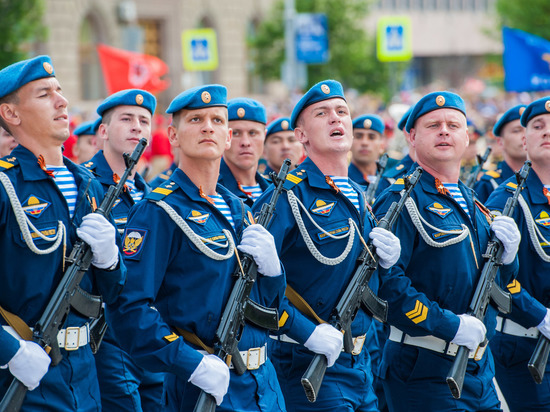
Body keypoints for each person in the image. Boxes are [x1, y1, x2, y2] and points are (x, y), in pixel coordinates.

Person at [105, 84, 287, 411]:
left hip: (263, 387)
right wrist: (190, 362)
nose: (208, 127)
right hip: (204, 385)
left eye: (217, 120)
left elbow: (268, 306)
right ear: (173, 136)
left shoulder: (240, 210)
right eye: (196, 120)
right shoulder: (158, 210)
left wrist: (274, 272)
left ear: (228, 137)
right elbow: (128, 309)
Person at [256, 79, 401, 411]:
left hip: (359, 362)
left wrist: (386, 266)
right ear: (302, 136)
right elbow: (254, 289)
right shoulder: (286, 196)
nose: (336, 119)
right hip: (307, 362)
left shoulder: (356, 195)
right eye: (322, 113)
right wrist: (305, 331)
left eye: (341, 112)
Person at [372, 91, 521, 411]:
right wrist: (450, 326)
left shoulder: (474, 204)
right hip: (424, 369)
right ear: (411, 137)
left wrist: (509, 259)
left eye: (454, 124)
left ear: (466, 136)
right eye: (433, 125)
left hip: (480, 369)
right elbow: (389, 288)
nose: (444, 131)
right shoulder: (401, 200)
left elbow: (495, 285)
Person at [0, 55, 126, 410]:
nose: (62, 101)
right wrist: (10, 352)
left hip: (85, 374)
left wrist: (111, 259)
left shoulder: (90, 186)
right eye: (44, 94)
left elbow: (115, 291)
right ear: (11, 114)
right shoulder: (5, 186)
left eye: (60, 90)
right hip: (23, 376)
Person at [83, 89, 165, 411]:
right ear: (103, 131)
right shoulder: (85, 184)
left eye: (144, 121)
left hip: (151, 334)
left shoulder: (151, 195)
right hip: (107, 337)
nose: (136, 127)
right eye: (126, 119)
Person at [485, 97, 550, 411]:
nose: (546, 132)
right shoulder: (508, 199)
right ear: (525, 139)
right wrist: (541, 316)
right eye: (538, 126)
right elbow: (493, 277)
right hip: (526, 344)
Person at [219, 97, 270, 205]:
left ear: (264, 136)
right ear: (225, 137)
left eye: (253, 133)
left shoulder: (275, 190)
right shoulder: (211, 190)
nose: (245, 142)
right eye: (236, 133)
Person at [474, 105, 527, 202]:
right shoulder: (488, 185)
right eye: (516, 131)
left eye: (529, 129)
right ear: (500, 142)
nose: (524, 135)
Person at [348, 114, 387, 189]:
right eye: (358, 136)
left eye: (371, 137)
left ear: (382, 145)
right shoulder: (342, 182)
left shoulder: (388, 183)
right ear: (349, 142)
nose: (364, 143)